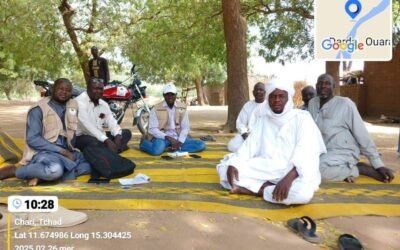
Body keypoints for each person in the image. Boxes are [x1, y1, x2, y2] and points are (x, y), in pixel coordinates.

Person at [216, 81, 326, 205]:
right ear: (268, 99)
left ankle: (259, 190)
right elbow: (249, 146)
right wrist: (234, 163)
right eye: (273, 96)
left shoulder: (302, 119)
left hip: (292, 171)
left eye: (281, 96)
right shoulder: (264, 119)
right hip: (266, 167)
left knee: (302, 194)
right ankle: (269, 188)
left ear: (288, 99)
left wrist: (287, 180)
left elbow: (307, 153)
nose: (276, 100)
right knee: (226, 169)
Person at [0, 79, 90, 186]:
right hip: (46, 152)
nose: (64, 92)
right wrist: (62, 151)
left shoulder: (73, 105)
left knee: (92, 164)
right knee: (54, 170)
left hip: (68, 151)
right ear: (52, 89)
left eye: (68, 90)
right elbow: (33, 139)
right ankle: (14, 171)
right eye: (61, 89)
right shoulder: (38, 109)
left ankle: (41, 176)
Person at [308, 73, 395, 183]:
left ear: (333, 87)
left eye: (327, 83)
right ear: (316, 86)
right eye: (320, 83)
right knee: (304, 168)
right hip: (323, 151)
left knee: (318, 171)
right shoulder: (312, 103)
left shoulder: (345, 104)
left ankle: (358, 168)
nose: (323, 86)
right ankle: (344, 169)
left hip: (344, 151)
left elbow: (362, 134)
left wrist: (377, 164)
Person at [140, 83, 206, 156]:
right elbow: (152, 129)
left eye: (172, 94)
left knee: (201, 145)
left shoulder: (182, 108)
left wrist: (180, 142)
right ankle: (144, 144)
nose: (170, 97)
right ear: (163, 95)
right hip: (163, 138)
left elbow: (185, 127)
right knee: (156, 151)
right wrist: (169, 138)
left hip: (178, 137)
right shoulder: (155, 109)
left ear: (176, 95)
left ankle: (171, 148)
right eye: (167, 94)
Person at [75, 77, 132, 153]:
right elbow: (87, 126)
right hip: (83, 136)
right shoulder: (79, 102)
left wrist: (117, 136)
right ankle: (116, 149)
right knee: (93, 142)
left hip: (101, 136)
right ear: (88, 88)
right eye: (95, 88)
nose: (98, 91)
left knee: (126, 133)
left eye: (100, 89)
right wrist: (106, 140)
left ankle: (112, 149)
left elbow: (112, 121)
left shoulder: (103, 104)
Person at [227, 82, 266, 152]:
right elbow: (240, 122)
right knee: (232, 146)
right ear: (253, 92)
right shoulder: (248, 105)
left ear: (265, 92)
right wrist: (245, 134)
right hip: (248, 134)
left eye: (261, 90)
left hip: (264, 135)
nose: (258, 92)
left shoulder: (269, 106)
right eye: (256, 90)